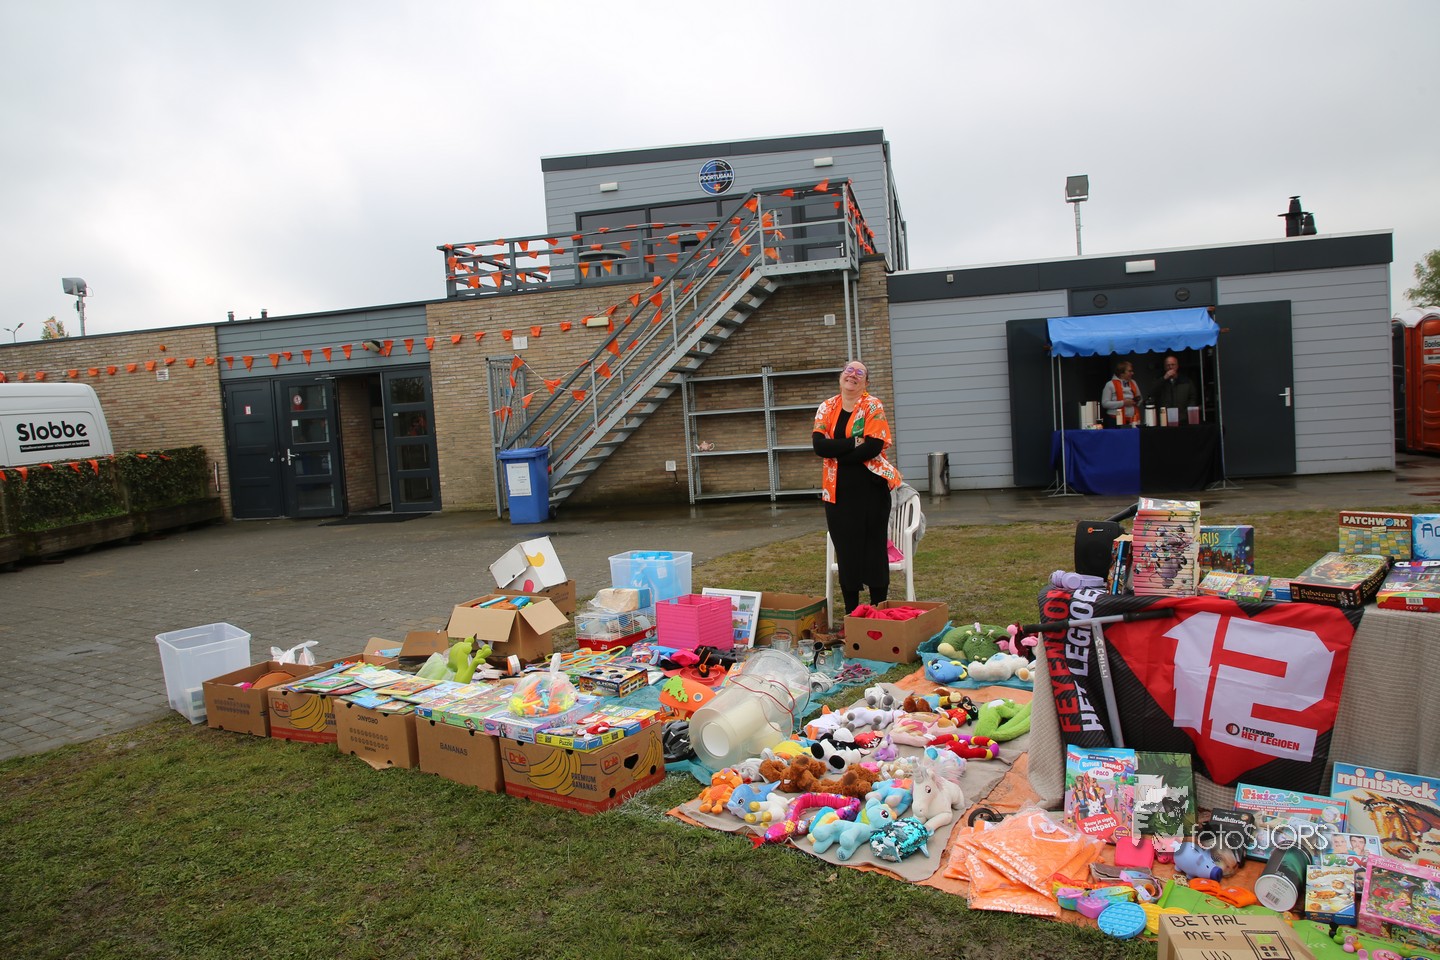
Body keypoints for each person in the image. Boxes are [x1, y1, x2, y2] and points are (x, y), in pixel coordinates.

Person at [812, 360, 902, 617]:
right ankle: (852, 613)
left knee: (874, 549)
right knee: (846, 550)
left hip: (872, 488)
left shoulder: (872, 405)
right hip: (837, 490)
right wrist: (854, 442)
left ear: (866, 382)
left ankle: (878, 609)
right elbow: (819, 446)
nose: (852, 375)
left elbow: (874, 447)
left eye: (859, 372)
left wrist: (838, 452)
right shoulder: (826, 407)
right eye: (848, 370)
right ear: (840, 377)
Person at [1149, 353, 1197, 421]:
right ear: (1164, 367)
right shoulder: (1159, 380)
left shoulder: (1186, 381)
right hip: (1164, 417)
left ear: (1177, 366)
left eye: (1173, 365)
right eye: (1168, 365)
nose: (1170, 367)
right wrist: (1164, 378)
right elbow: (1151, 393)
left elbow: (1193, 398)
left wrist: (1187, 412)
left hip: (1182, 418)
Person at [1100, 359, 1142, 426]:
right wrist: (1123, 403)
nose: (1132, 373)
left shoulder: (1133, 382)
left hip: (1132, 420)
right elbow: (1105, 403)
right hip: (1115, 420)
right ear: (1121, 373)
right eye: (1130, 371)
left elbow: (1140, 398)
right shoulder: (1110, 384)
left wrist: (1135, 401)